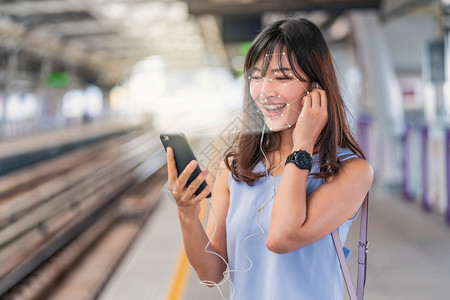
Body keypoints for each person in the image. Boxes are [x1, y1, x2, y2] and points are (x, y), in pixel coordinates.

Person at [166, 18, 373, 299]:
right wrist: (187, 215)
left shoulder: (351, 170)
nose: (264, 91)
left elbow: (281, 237)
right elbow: (211, 273)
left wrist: (303, 144)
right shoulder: (239, 168)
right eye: (256, 77)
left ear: (317, 89)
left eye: (282, 77)